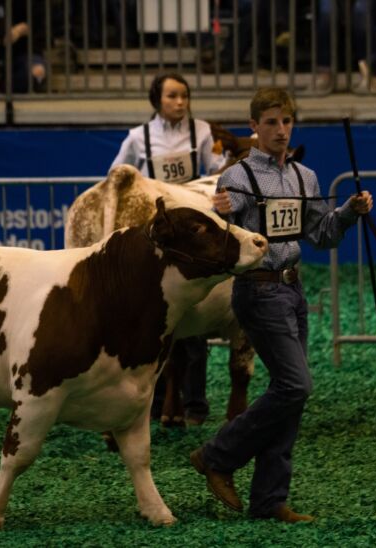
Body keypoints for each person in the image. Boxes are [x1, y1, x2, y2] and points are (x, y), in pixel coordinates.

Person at [190, 87, 373, 522]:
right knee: (296, 386)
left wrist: (348, 211)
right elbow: (224, 239)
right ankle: (218, 455)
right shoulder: (237, 178)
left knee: (291, 395)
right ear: (254, 127)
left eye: (286, 121)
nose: (280, 130)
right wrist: (223, 214)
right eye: (270, 122)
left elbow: (321, 235)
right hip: (257, 291)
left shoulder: (303, 177)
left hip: (293, 289)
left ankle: (269, 500)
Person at [110, 72, 226, 424]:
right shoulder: (138, 137)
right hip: (156, 240)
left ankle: (195, 404)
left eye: (184, 95)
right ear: (157, 100)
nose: (180, 102)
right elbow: (117, 173)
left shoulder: (203, 132)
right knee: (156, 321)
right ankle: (158, 402)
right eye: (173, 96)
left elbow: (218, 169)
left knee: (193, 313)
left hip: (192, 237)